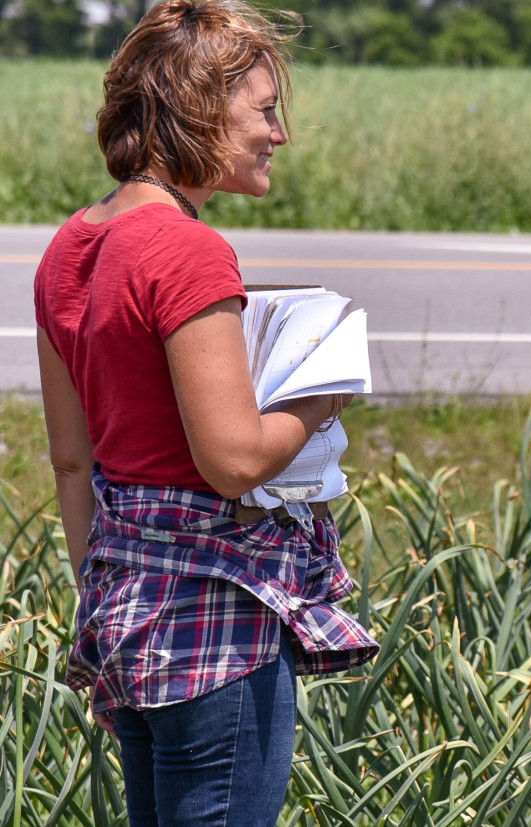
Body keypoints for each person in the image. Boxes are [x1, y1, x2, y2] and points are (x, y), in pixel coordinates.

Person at [33, 1, 378, 823]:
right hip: (216, 624)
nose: (278, 133)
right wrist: (320, 390)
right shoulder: (186, 249)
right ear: (198, 108)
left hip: (126, 610)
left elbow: (74, 462)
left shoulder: (67, 248)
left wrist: (107, 607)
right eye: (264, 110)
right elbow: (233, 458)